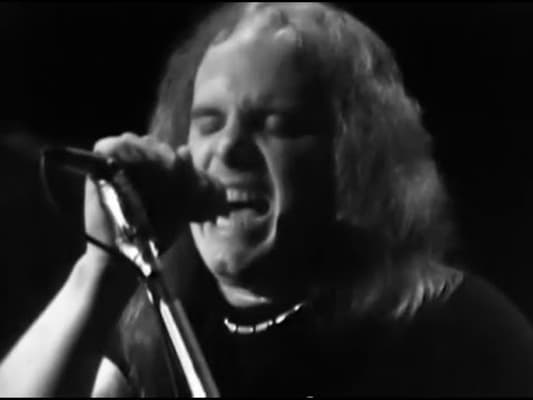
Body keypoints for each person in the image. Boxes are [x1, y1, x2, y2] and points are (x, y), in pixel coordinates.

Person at [1, 2, 533, 396]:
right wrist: (101, 271)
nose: (228, 148)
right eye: (208, 123)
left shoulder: (459, 330)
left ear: (352, 155)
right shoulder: (154, 324)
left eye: (274, 124)